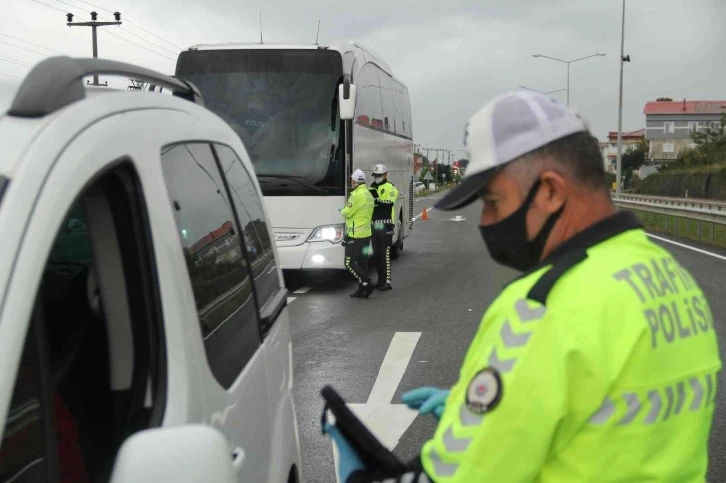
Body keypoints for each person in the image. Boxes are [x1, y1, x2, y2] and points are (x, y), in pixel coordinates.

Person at [324, 91, 721, 482]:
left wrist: (364, 475)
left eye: (494, 202)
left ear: (550, 190)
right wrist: (504, 411)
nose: (486, 222)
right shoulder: (671, 276)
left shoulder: (544, 306)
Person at [341, 168, 376, 298]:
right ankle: (362, 290)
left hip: (355, 235)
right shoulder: (368, 194)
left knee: (349, 263)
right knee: (362, 262)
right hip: (366, 234)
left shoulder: (355, 196)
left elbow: (346, 212)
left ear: (354, 181)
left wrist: (343, 209)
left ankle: (366, 282)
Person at [369, 164, 399, 291]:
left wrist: (375, 201)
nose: (377, 178)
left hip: (386, 225)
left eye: (379, 175)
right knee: (376, 255)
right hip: (374, 225)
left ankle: (387, 281)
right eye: (375, 176)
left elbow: (389, 203)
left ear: (385, 175)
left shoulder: (391, 187)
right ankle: (380, 280)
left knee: (385, 254)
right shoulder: (371, 187)